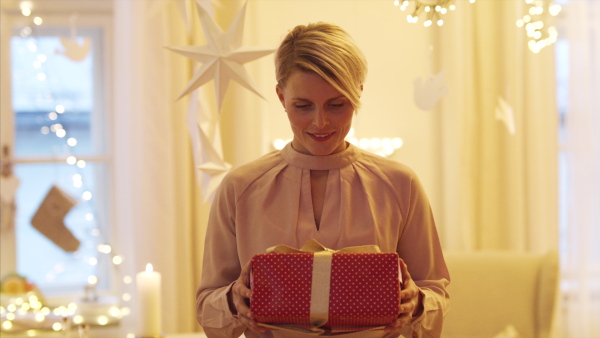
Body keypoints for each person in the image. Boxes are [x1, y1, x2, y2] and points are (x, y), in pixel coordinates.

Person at [196, 22, 450, 338]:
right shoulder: (240, 187)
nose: (320, 122)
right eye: (302, 106)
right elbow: (207, 306)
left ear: (358, 93)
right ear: (281, 97)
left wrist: (417, 302)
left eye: (337, 104)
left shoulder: (399, 184)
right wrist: (233, 300)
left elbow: (436, 289)